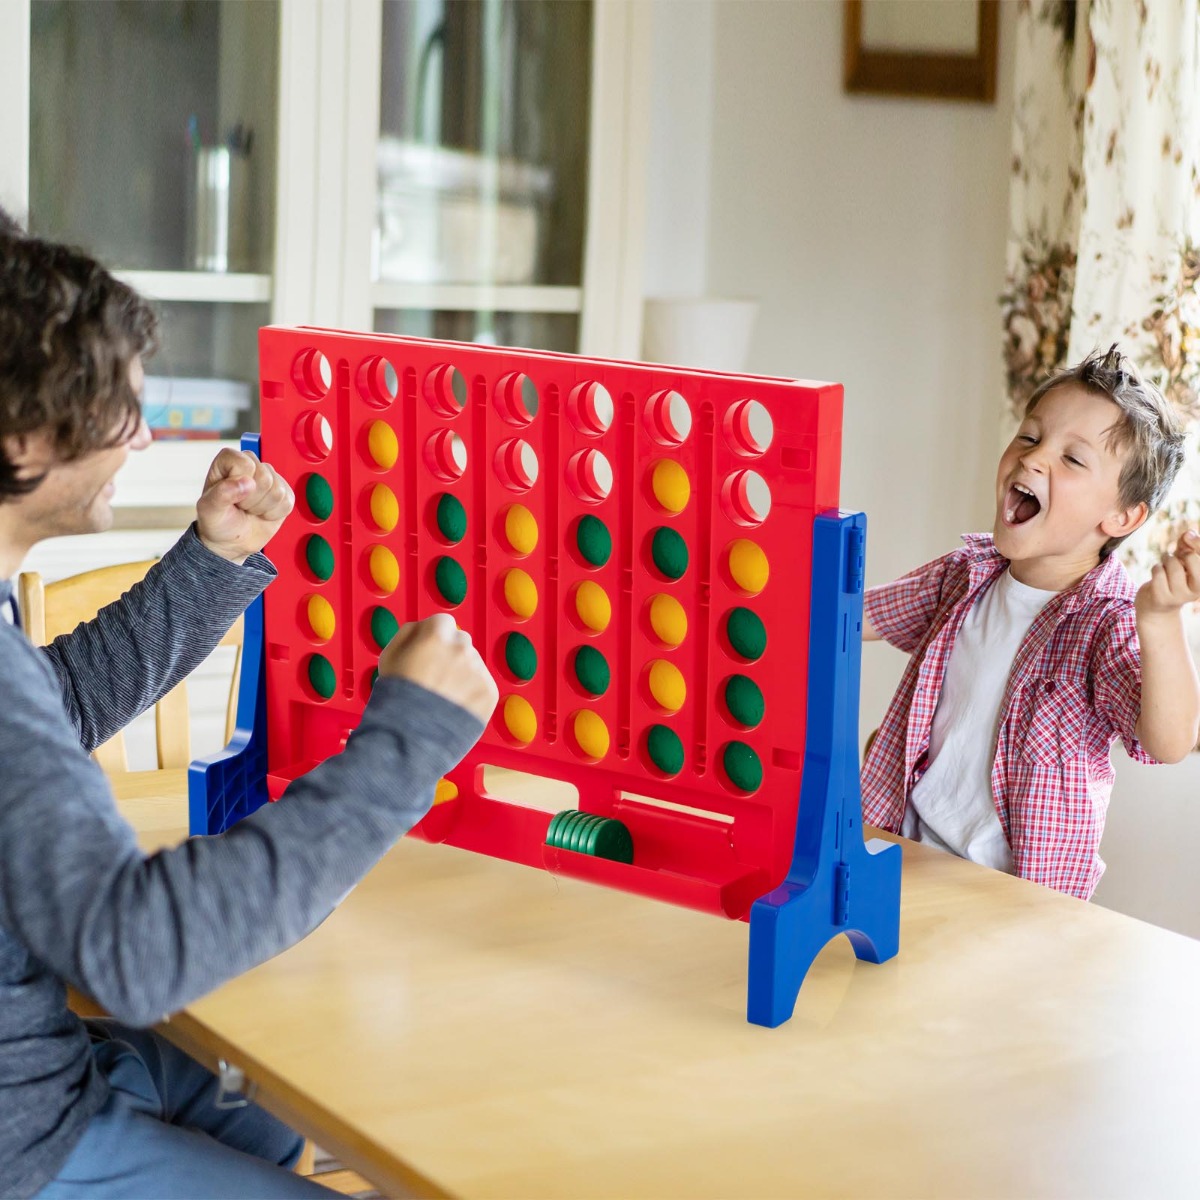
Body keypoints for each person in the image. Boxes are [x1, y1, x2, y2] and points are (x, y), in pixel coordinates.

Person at [0, 211, 498, 1198]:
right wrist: (406, 742)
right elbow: (136, 948)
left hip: (50, 1065)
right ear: (22, 434)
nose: (142, 438)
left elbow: (46, 712)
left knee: (262, 1111)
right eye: (112, 413)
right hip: (26, 1141)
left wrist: (214, 557)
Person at [861, 345, 1198, 900]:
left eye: (1072, 459)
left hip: (1018, 900)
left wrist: (1159, 620)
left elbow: (1167, 741)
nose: (1033, 459)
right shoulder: (963, 576)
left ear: (1120, 517)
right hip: (905, 851)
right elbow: (854, 616)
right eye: (1030, 436)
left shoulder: (1105, 624)